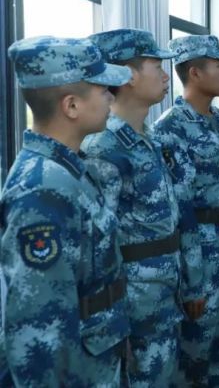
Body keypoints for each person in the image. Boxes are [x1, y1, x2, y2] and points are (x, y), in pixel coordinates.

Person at [1, 36, 131, 386]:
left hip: (96, 361)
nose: (111, 97)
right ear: (71, 106)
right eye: (103, 89)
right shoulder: (43, 189)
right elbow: (38, 327)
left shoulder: (70, 169)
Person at [81, 29, 193, 387]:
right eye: (157, 66)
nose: (166, 75)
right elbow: (97, 246)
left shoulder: (147, 137)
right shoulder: (104, 147)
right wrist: (109, 323)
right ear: (129, 75)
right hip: (133, 303)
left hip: (161, 294)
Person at [154, 35, 219, 387]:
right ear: (195, 73)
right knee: (194, 356)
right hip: (196, 257)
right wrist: (191, 283)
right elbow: (179, 210)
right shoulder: (169, 129)